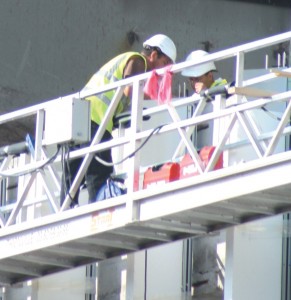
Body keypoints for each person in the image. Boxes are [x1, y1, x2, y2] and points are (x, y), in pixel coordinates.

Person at [60, 34, 177, 207]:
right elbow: (130, 89)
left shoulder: (125, 59)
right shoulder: (139, 61)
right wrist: (156, 95)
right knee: (99, 173)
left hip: (78, 118)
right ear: (153, 55)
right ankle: (99, 212)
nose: (163, 72)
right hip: (95, 122)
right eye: (164, 64)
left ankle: (66, 210)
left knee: (72, 175)